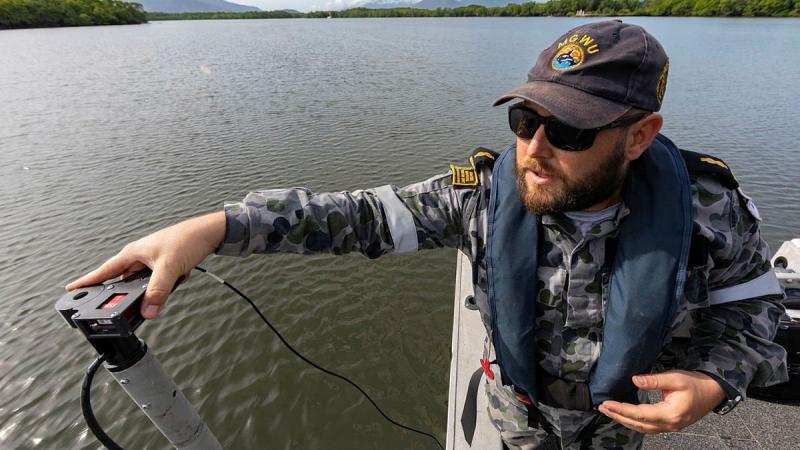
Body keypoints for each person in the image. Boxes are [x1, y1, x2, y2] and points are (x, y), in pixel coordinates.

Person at [67, 20, 788, 450]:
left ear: (639, 137)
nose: (534, 148)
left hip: (619, 427)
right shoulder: (480, 196)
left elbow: (752, 309)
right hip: (519, 419)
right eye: (524, 119)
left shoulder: (708, 206)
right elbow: (356, 217)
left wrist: (713, 380)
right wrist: (213, 227)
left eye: (568, 129)